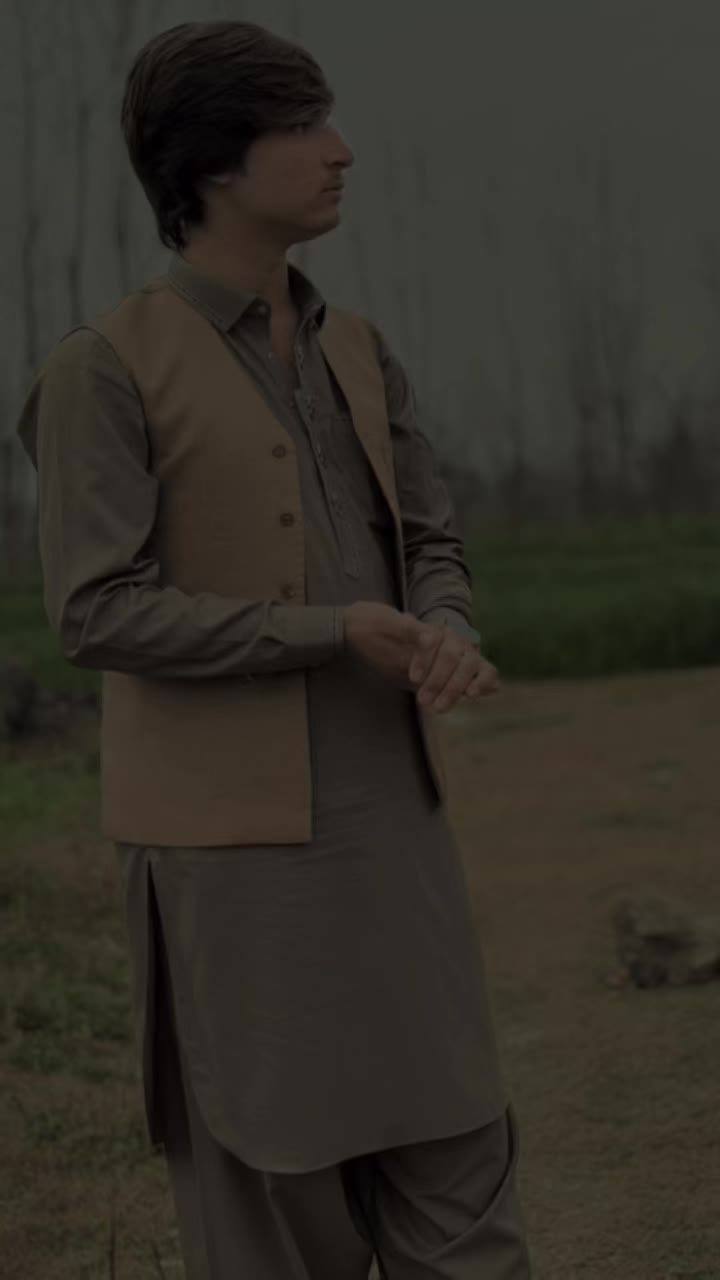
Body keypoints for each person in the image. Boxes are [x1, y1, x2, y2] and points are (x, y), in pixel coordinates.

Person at [16, 19, 533, 1279]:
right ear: (212, 162)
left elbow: (432, 539)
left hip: (395, 829)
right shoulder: (103, 369)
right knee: (273, 1200)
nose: (341, 150)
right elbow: (94, 609)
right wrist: (325, 631)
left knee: (462, 1165)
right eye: (303, 126)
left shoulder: (360, 347)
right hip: (227, 861)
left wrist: (448, 623)